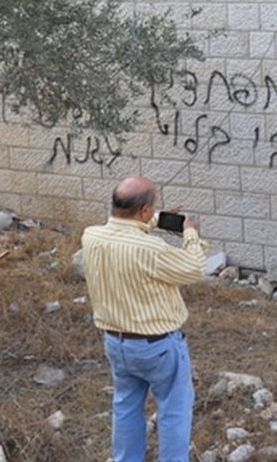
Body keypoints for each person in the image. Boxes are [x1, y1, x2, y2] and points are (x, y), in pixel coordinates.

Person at [82, 175, 208, 462]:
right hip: (158, 346)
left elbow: (126, 229)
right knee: (174, 412)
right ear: (144, 211)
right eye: (153, 207)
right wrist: (189, 233)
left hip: (116, 342)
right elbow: (194, 268)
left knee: (125, 407)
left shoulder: (90, 236)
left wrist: (155, 220)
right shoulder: (151, 250)